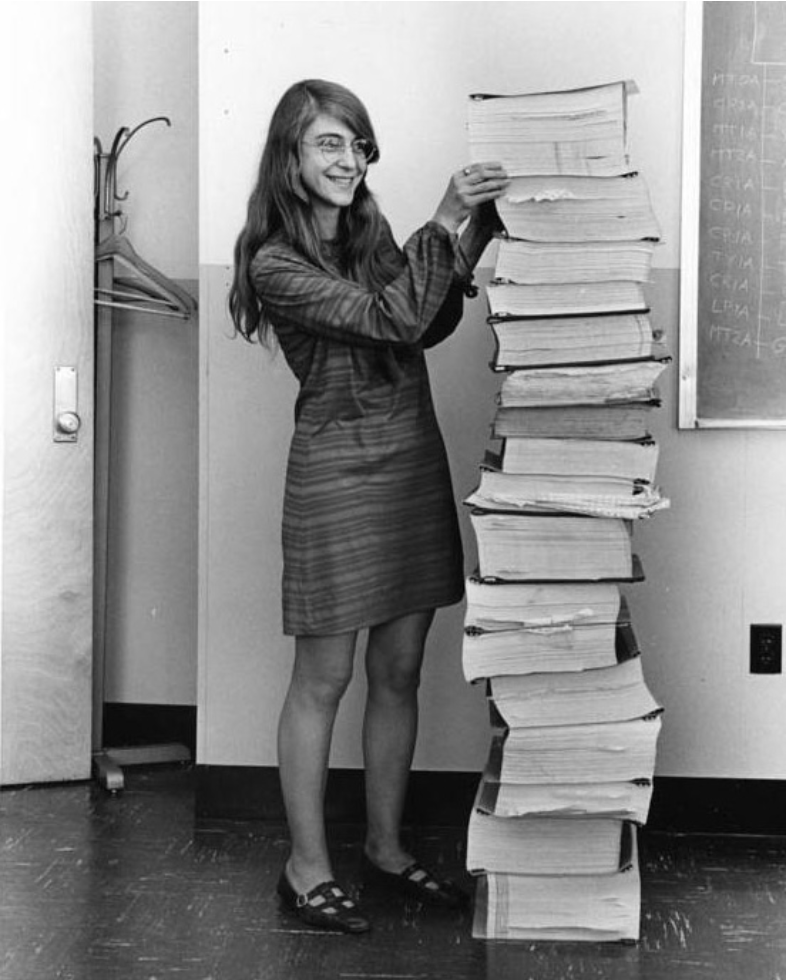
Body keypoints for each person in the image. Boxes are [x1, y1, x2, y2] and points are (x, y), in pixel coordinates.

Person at [229, 79, 509, 935]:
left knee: (397, 670)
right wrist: (444, 214)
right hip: (335, 473)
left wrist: (480, 228)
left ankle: (385, 848)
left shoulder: (368, 229)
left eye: (355, 144)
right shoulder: (275, 261)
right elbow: (390, 317)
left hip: (406, 460)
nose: (348, 160)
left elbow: (421, 323)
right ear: (291, 154)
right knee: (326, 678)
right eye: (328, 144)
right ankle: (305, 867)